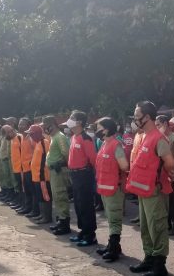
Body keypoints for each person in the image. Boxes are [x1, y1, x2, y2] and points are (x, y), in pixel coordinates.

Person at [126, 101, 174, 276]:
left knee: (157, 227)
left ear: (147, 117)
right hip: (143, 190)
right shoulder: (144, 136)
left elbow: (169, 162)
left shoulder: (158, 138)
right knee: (146, 227)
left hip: (155, 190)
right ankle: (149, 258)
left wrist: (161, 174)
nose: (135, 119)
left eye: (137, 115)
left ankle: (159, 264)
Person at [95, 117, 130, 262]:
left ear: (107, 129)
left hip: (114, 188)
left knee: (114, 219)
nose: (96, 131)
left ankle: (114, 248)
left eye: (98, 128)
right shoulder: (105, 143)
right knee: (110, 218)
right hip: (104, 188)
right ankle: (113, 244)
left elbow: (124, 166)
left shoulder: (116, 145)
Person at [63, 111, 98, 246]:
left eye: (72, 118)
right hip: (75, 175)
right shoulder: (74, 137)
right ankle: (83, 231)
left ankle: (90, 235)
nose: (69, 120)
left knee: (86, 205)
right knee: (78, 205)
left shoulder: (86, 138)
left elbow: (93, 160)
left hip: (84, 175)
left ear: (79, 122)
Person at [42, 115, 72, 235]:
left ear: (52, 125)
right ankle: (61, 220)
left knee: (61, 196)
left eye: (45, 126)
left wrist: (60, 164)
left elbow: (66, 154)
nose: (44, 128)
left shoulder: (60, 137)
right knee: (56, 197)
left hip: (59, 171)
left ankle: (65, 224)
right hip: (54, 171)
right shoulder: (54, 137)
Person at [156, 114, 174, 236]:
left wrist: (173, 169)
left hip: (172, 175)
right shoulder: (159, 139)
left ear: (165, 124)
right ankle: (167, 224)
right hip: (162, 176)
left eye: (158, 125)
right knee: (166, 203)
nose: (157, 127)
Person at [28, 124, 53, 224]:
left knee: (45, 197)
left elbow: (46, 159)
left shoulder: (44, 142)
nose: (30, 136)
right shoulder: (38, 143)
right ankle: (42, 215)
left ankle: (47, 217)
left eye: (32, 134)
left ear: (37, 134)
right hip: (37, 176)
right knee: (40, 197)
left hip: (43, 176)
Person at [15, 118, 36, 216]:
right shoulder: (22, 137)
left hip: (31, 168)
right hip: (24, 168)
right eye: (19, 124)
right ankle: (27, 207)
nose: (20, 126)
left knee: (32, 191)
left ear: (28, 126)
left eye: (23, 124)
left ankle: (34, 210)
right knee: (26, 190)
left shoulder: (31, 137)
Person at [0, 117, 19, 206]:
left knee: (13, 179)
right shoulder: (5, 133)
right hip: (5, 159)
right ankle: (10, 195)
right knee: (7, 178)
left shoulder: (15, 134)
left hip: (11, 159)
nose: (6, 122)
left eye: (8, 121)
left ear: (13, 123)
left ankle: (15, 197)